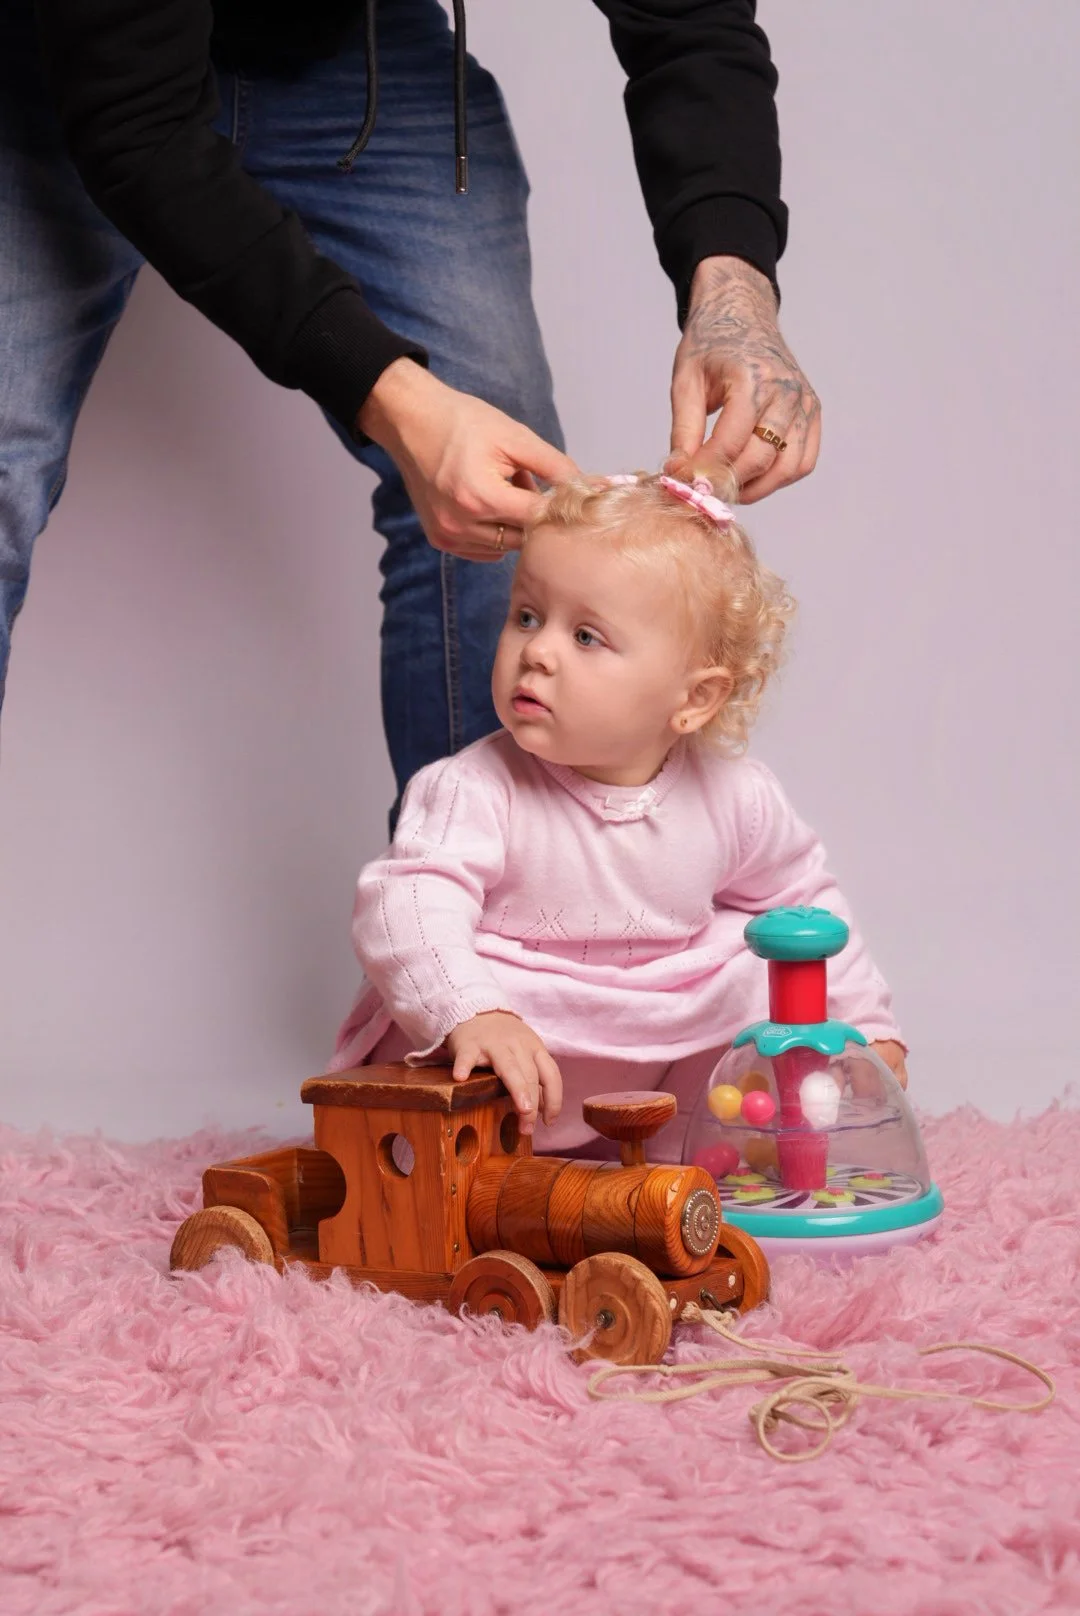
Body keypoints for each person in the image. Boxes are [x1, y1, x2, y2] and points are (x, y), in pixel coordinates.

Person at [2, 0, 818, 817]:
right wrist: (394, 399)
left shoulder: (752, 821)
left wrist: (734, 281)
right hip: (59, 54)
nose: (539, 656)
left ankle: (512, 916)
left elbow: (689, 16)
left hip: (362, 54)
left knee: (508, 497)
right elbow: (136, 125)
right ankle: (442, 910)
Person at [329, 471, 905, 1162]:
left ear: (693, 699)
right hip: (505, 1064)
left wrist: (869, 1027)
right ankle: (481, 1156)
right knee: (442, 967)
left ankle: (687, 1152)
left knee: (754, 961)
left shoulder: (734, 797)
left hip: (648, 1062)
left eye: (587, 636)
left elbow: (806, 905)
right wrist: (473, 1010)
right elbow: (407, 902)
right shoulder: (474, 788)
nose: (536, 651)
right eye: (527, 616)